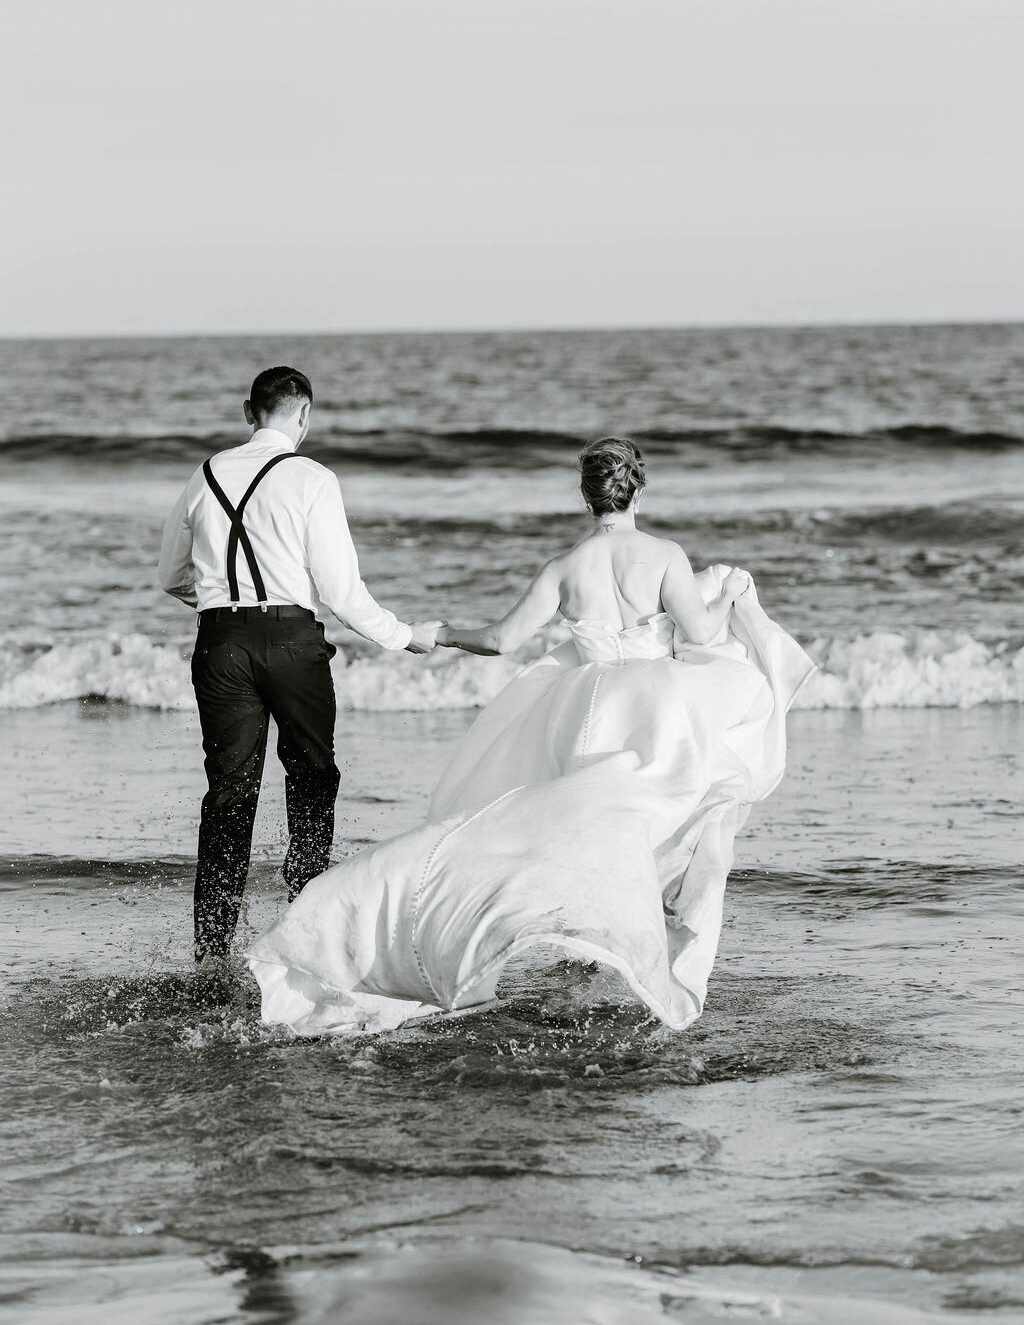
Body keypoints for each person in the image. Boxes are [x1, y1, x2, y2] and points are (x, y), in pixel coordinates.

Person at [247, 436, 815, 1035]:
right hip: (655, 708)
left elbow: (501, 640)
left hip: (586, 712)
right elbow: (699, 635)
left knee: (586, 831)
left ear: (586, 497)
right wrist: (728, 593)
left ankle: (582, 944)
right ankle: (643, 950)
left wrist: (440, 633)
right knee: (661, 822)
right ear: (638, 490)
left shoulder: (564, 570)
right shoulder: (666, 555)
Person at [159, 366, 438, 964]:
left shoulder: (204, 474)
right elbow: (341, 591)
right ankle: (307, 925)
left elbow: (169, 577)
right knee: (312, 777)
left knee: (229, 794)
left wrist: (221, 606)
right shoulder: (313, 478)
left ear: (247, 411)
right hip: (291, 643)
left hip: (220, 643)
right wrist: (404, 636)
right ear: (304, 415)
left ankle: (212, 954)